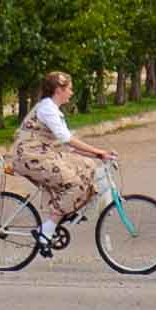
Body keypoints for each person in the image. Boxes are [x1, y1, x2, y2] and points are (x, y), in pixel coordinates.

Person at [10, 71, 112, 257]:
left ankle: (67, 210)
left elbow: (68, 145)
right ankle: (45, 232)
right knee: (74, 184)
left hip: (42, 154)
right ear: (59, 90)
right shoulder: (47, 108)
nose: (71, 92)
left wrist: (97, 155)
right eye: (69, 89)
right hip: (30, 157)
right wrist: (97, 150)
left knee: (87, 166)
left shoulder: (52, 109)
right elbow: (67, 139)